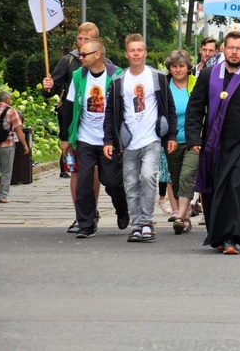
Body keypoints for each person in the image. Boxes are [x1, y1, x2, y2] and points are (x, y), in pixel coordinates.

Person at [184, 30, 240, 254]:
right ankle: (218, 236)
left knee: (236, 187)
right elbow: (195, 107)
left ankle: (233, 237)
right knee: (214, 189)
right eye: (230, 47)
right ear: (223, 50)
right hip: (214, 143)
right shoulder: (208, 75)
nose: (234, 52)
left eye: (239, 48)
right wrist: (194, 136)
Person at [103, 34, 177, 243]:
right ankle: (136, 225)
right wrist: (109, 141)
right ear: (126, 54)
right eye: (132, 50)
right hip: (129, 142)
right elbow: (111, 113)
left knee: (147, 176)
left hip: (151, 139)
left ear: (145, 52)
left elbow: (169, 108)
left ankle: (147, 222)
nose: (136, 54)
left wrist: (170, 135)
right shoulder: (119, 81)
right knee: (131, 183)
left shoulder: (157, 77)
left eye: (140, 50)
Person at [59, 39, 129, 238]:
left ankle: (122, 209)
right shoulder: (78, 75)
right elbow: (70, 106)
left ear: (97, 55)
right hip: (85, 138)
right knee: (83, 182)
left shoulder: (116, 76)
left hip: (108, 139)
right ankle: (86, 224)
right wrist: (66, 137)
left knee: (112, 182)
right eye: (80, 55)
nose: (80, 58)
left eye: (84, 55)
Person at [41, 22, 105, 233]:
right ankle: (80, 214)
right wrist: (47, 88)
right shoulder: (68, 61)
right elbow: (53, 90)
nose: (82, 44)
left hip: (99, 129)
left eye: (87, 40)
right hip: (72, 125)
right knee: (76, 171)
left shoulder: (106, 65)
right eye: (80, 39)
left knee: (94, 171)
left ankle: (92, 209)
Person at [162, 50, 200, 235]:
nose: (178, 70)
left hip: (193, 140)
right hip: (172, 141)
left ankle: (180, 216)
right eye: (174, 66)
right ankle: (185, 218)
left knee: (187, 175)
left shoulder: (195, 83)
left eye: (181, 66)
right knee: (176, 180)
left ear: (188, 68)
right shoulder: (164, 86)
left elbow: (204, 107)